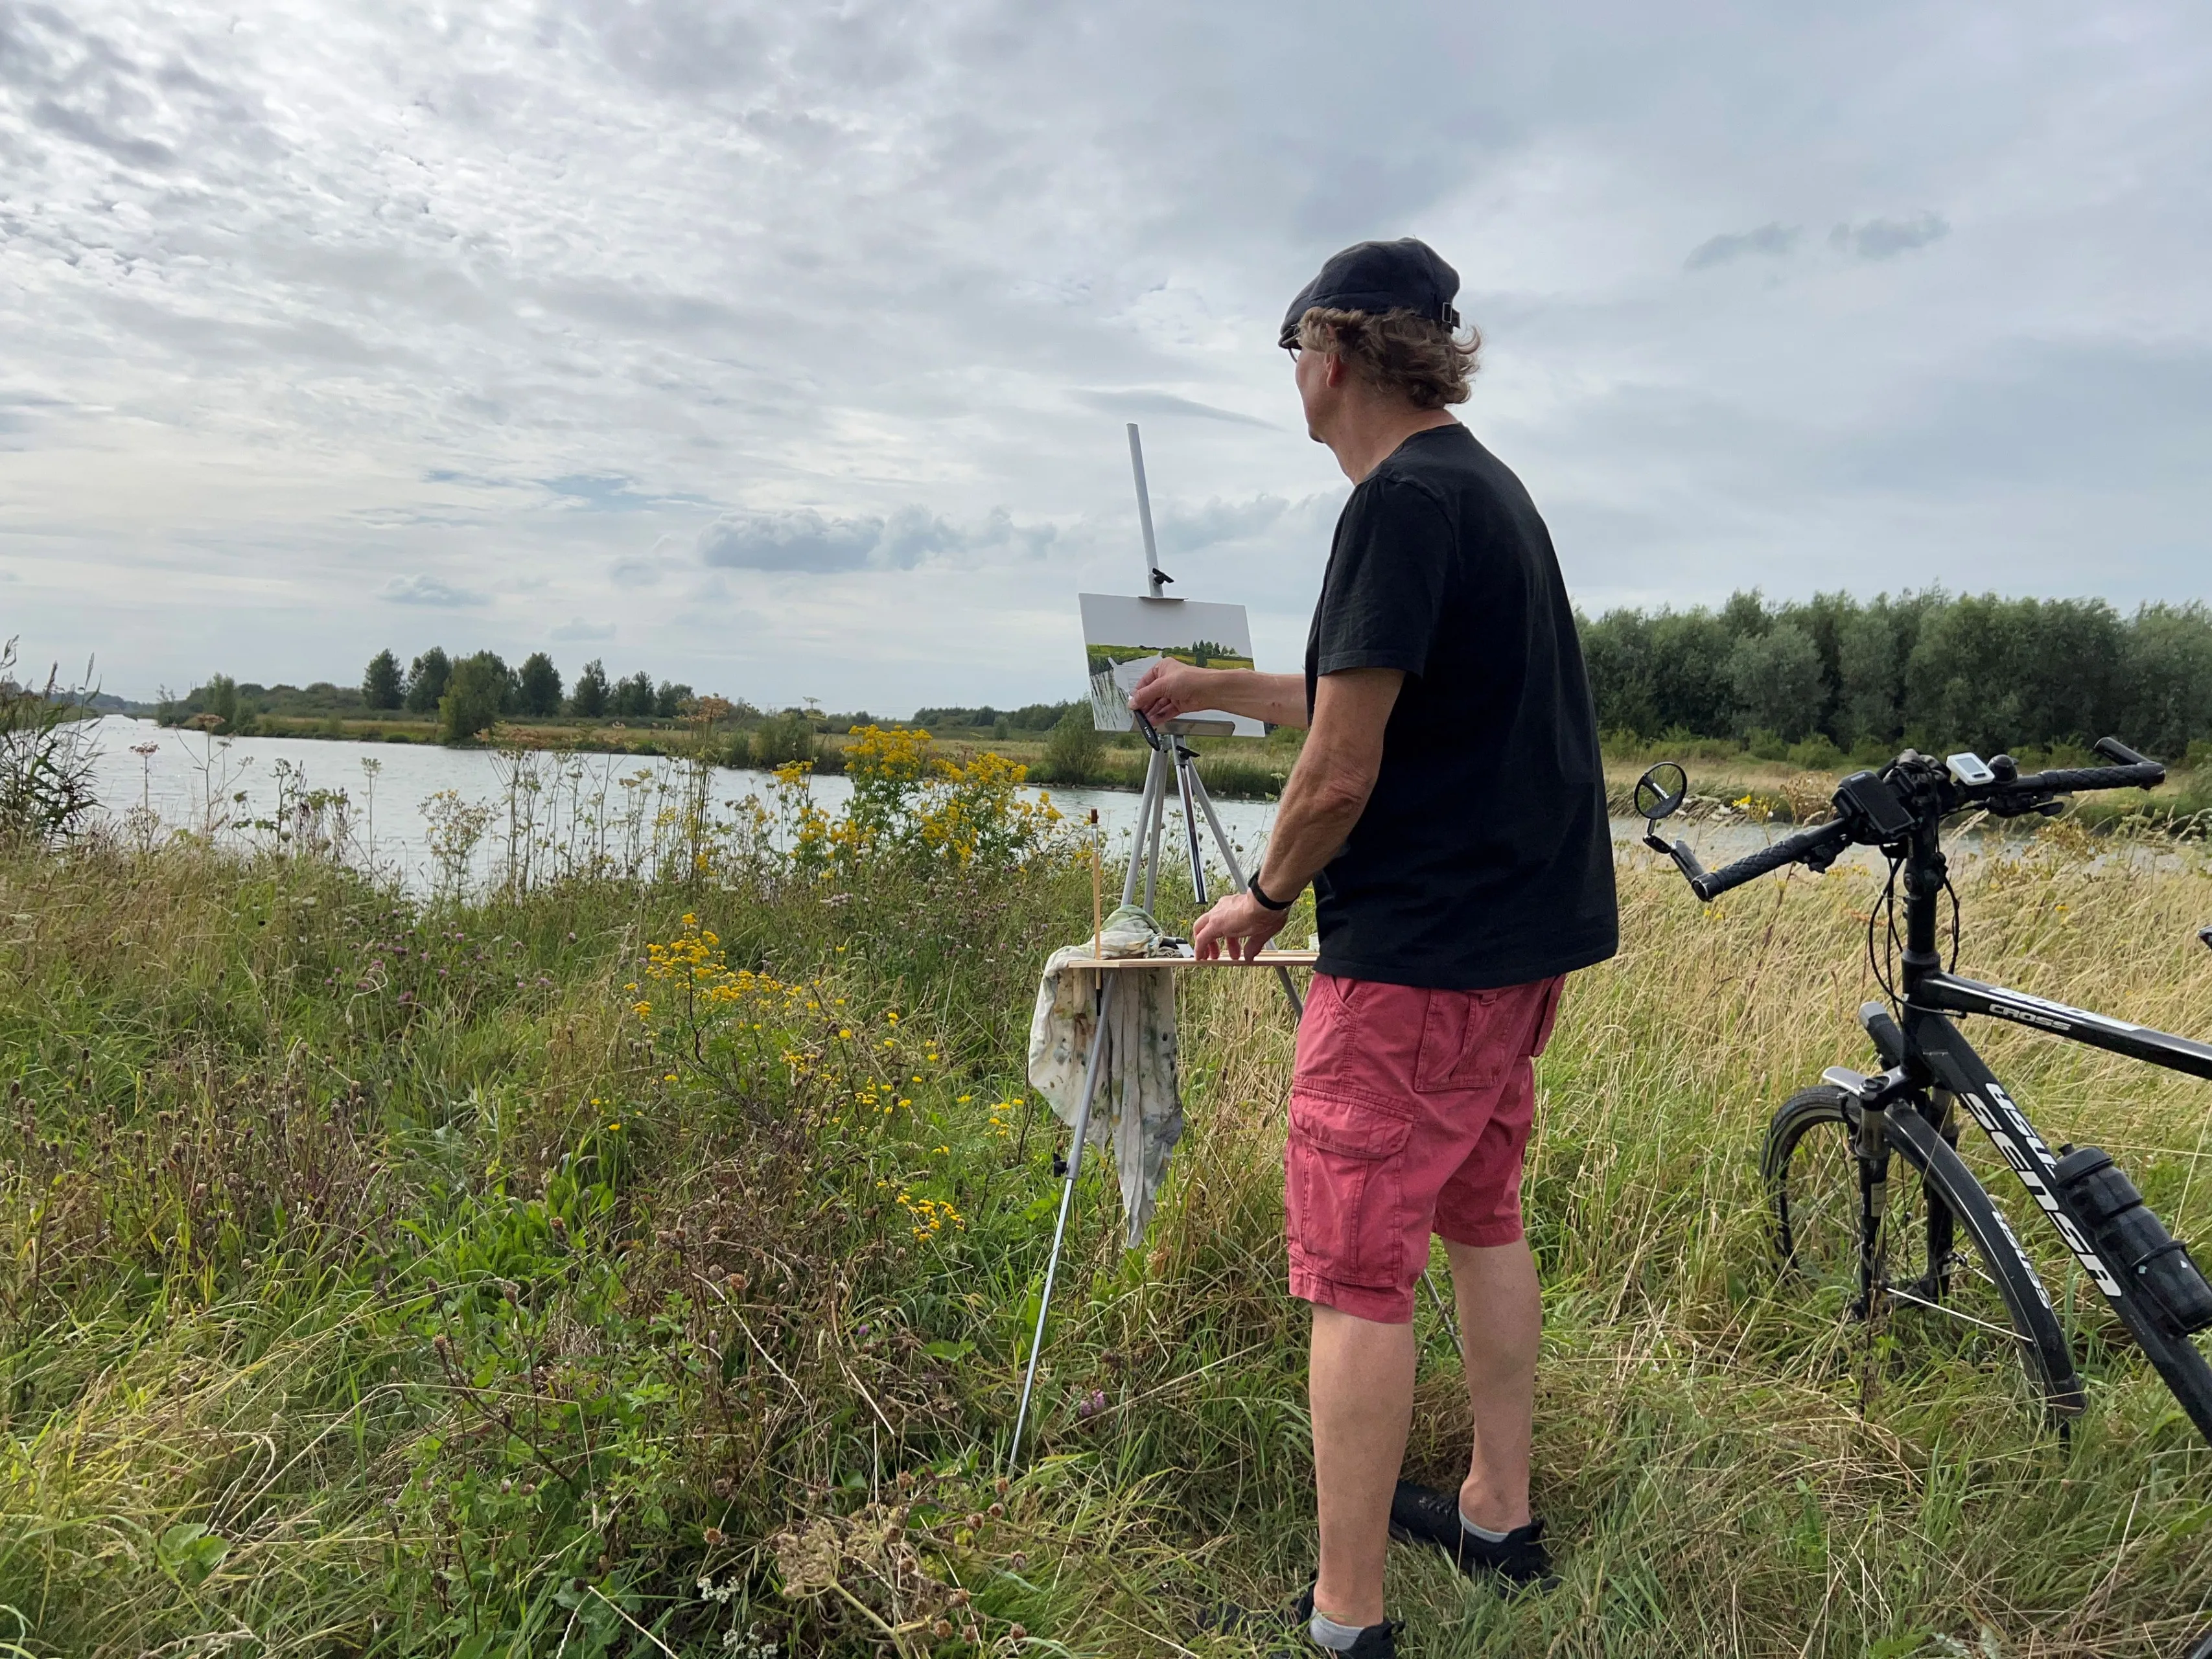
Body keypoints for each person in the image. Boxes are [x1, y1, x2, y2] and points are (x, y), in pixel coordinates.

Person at [1130, 237, 1618, 1657]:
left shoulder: (1395, 503)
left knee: (1352, 1271)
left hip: (1417, 961)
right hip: (1513, 948)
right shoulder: (1482, 489)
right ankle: (1494, 1510)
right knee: (1479, 1215)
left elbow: (1342, 766)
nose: (1291, 378)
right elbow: (1374, 688)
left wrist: (1263, 896)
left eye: (1291, 353)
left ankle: (1344, 1618)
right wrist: (1206, 684)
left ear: (1329, 352)